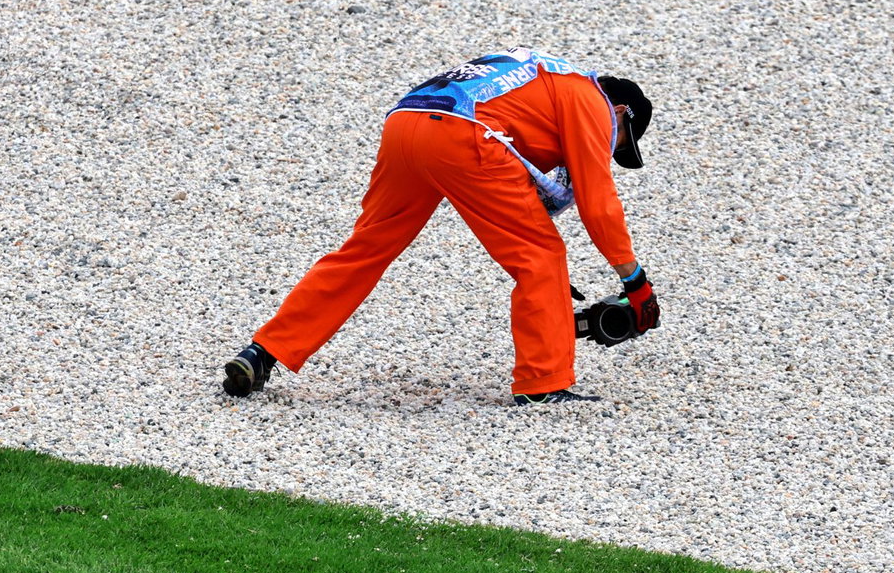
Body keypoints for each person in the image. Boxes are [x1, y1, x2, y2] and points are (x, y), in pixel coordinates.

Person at [220, 48, 658, 406]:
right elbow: (598, 202)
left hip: (405, 124)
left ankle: (264, 352)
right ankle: (544, 384)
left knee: (365, 250)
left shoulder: (539, 73)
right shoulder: (591, 101)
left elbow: (513, 164)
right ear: (619, 112)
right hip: (463, 134)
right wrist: (635, 283)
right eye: (621, 140)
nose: (611, 149)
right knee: (540, 257)